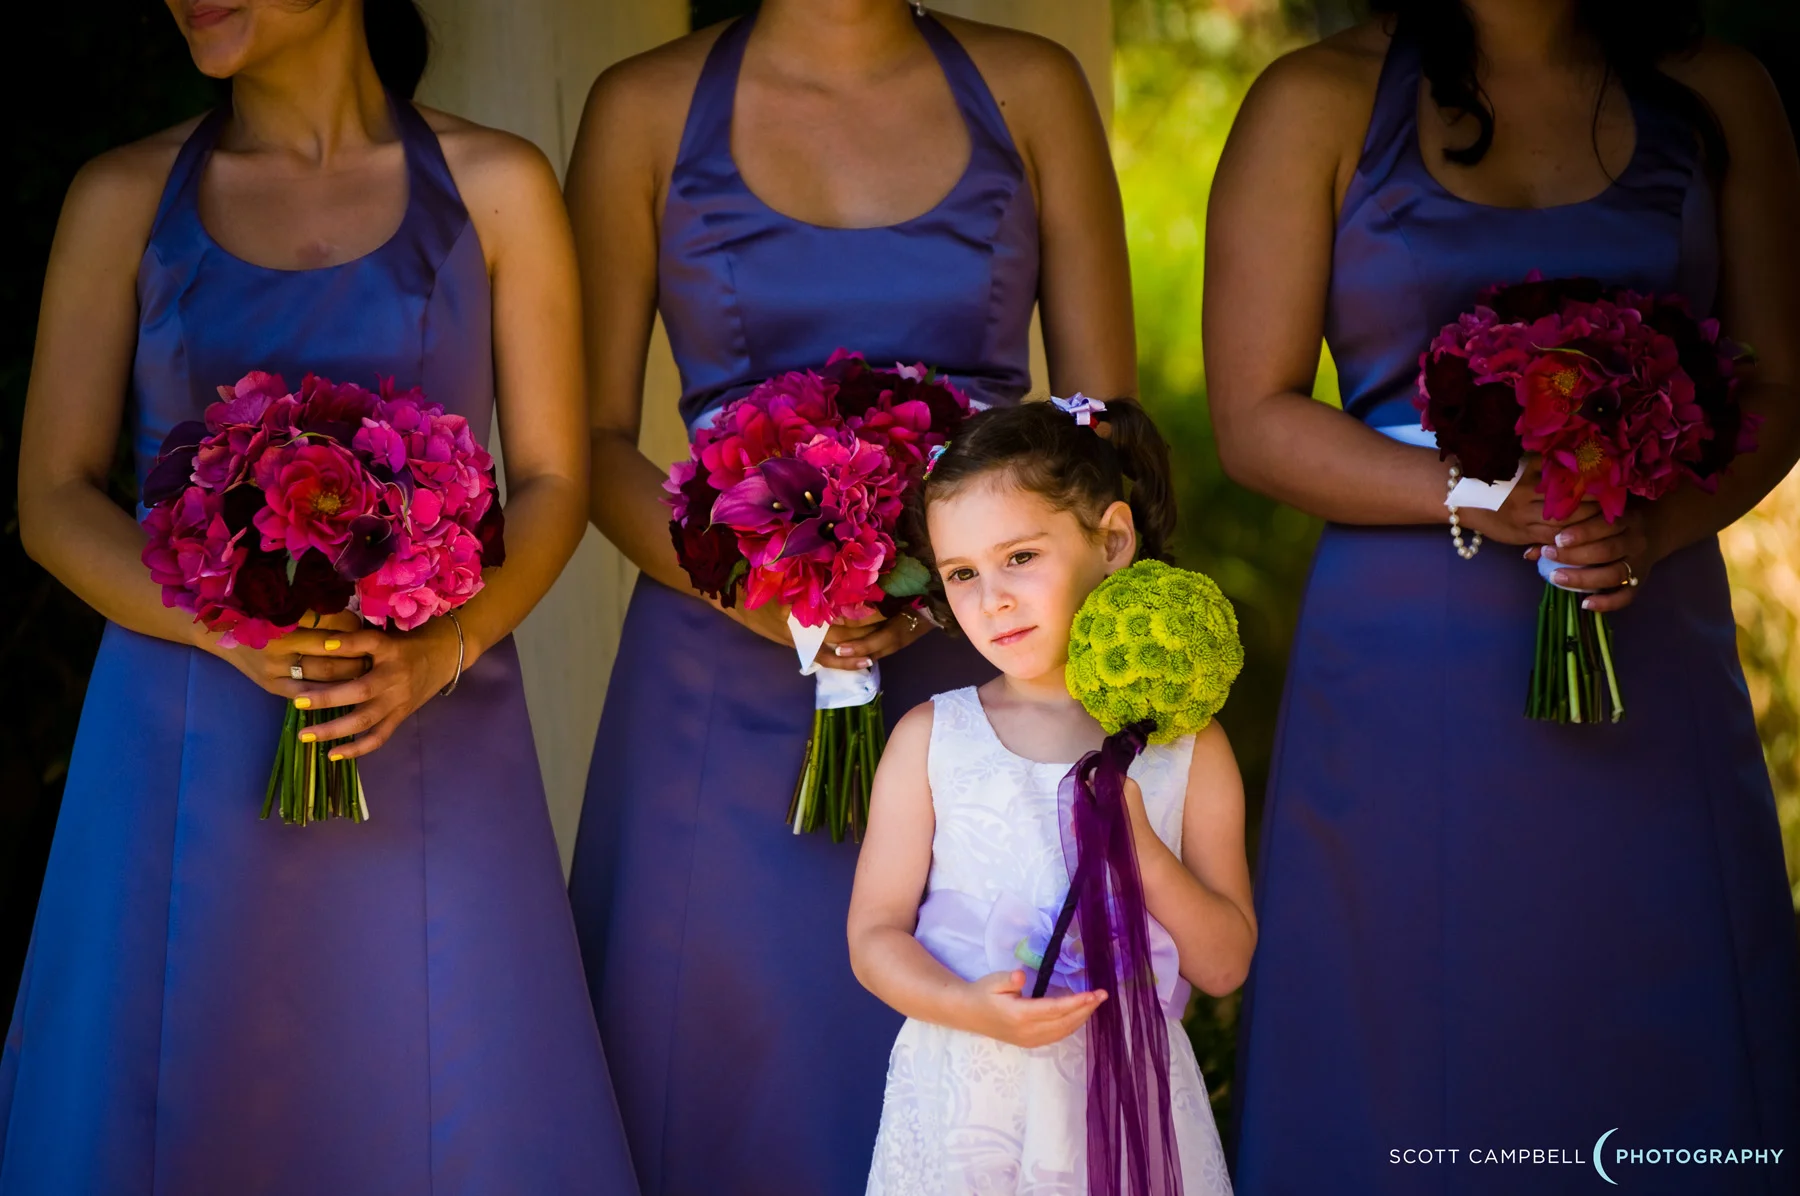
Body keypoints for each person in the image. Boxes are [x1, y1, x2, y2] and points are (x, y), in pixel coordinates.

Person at [4, 1, 636, 1191]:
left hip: (432, 722)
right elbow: (52, 497)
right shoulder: (120, 197)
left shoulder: (499, 185)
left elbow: (553, 481)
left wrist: (442, 650)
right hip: (178, 738)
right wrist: (222, 625)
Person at [1205, 0, 1800, 1190]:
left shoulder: (1724, 90)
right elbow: (1254, 417)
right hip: (1402, 648)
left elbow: (1779, 386)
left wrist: (1647, 527)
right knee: (1409, 1015)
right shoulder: (1313, 100)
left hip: (1646, 610)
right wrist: (1475, 494)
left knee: (1660, 995)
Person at [561, 1, 1134, 1190]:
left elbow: (1102, 430)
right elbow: (590, 443)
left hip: (983, 660)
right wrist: (767, 595)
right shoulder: (642, 106)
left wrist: (956, 584)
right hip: (721, 666)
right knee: (723, 1079)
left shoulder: (1032, 86)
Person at [847, 399, 1252, 1192]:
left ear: (1112, 540)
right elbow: (873, 936)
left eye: (1021, 557)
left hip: (1125, 1114)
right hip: (965, 1106)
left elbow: (1225, 964)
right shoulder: (932, 739)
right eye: (962, 573)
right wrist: (966, 1006)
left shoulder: (1188, 747)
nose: (991, 598)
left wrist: (1139, 846)